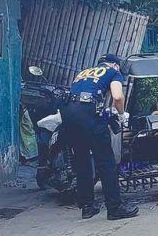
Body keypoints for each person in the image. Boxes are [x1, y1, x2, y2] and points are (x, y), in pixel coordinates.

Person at [63, 54, 138, 220]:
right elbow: (117, 96)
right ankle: (115, 208)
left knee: (82, 160)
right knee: (106, 162)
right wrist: (121, 113)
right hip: (88, 113)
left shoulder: (83, 72)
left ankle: (87, 207)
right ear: (115, 65)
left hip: (69, 113)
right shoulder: (113, 72)